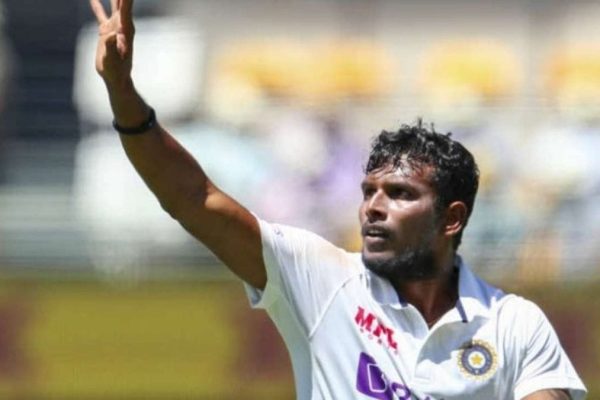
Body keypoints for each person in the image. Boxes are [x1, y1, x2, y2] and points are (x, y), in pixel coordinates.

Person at [89, 1, 587, 399]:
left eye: (400, 194)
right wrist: (122, 92)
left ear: (451, 218)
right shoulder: (320, 279)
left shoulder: (514, 324)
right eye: (369, 192)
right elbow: (192, 196)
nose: (373, 207)